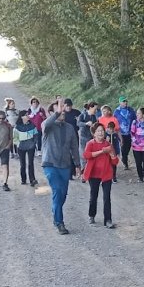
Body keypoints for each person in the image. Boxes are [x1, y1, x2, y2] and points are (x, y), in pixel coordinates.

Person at [42, 100, 81, 235]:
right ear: (52, 113)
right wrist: (57, 111)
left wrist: (77, 165)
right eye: (59, 110)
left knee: (62, 195)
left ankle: (55, 210)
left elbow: (74, 147)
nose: (62, 112)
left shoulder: (70, 128)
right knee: (58, 191)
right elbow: (46, 124)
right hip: (50, 164)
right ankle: (59, 222)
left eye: (63, 111)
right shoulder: (47, 126)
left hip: (65, 165)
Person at [83, 123, 119, 228]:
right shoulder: (90, 143)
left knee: (107, 197)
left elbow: (115, 162)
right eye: (98, 131)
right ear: (94, 133)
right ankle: (92, 215)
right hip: (93, 174)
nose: (101, 133)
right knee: (93, 196)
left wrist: (112, 155)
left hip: (106, 174)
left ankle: (108, 220)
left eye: (102, 131)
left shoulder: (108, 144)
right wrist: (102, 151)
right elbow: (86, 155)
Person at [14, 110, 39, 186]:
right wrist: (19, 144)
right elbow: (15, 138)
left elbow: (36, 135)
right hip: (21, 147)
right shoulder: (17, 127)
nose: (28, 116)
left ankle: (32, 179)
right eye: (26, 115)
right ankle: (23, 179)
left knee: (31, 163)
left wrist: (34, 143)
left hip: (30, 146)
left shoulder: (32, 125)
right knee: (22, 164)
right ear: (22, 117)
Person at [130, 108, 144, 182]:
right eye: (137, 113)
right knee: (138, 162)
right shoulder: (134, 122)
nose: (137, 114)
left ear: (143, 115)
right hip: (136, 146)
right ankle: (140, 177)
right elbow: (132, 133)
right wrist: (135, 142)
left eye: (139, 113)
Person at [115, 96, 136, 170]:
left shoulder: (131, 110)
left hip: (130, 132)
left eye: (126, 101)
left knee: (128, 147)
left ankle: (125, 157)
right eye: (123, 101)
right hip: (121, 133)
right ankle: (125, 162)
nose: (125, 103)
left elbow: (135, 119)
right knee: (123, 147)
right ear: (120, 102)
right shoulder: (117, 111)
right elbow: (114, 121)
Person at [78, 102, 99, 175]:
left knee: (91, 155)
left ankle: (90, 171)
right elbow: (78, 123)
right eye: (95, 109)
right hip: (83, 137)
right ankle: (83, 172)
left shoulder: (94, 117)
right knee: (83, 155)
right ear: (90, 108)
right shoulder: (83, 115)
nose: (96, 111)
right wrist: (85, 124)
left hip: (91, 138)